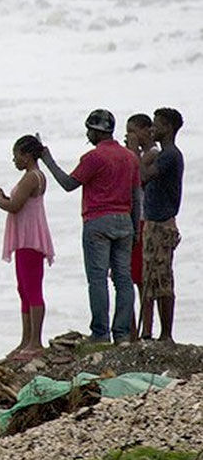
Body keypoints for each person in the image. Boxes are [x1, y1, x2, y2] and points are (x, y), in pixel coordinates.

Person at [39, 109, 138, 343]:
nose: (87, 135)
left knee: (98, 279)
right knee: (124, 279)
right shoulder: (130, 157)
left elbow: (68, 184)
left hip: (98, 221)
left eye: (89, 130)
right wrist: (136, 229)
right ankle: (122, 334)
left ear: (97, 131)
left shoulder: (94, 157)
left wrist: (47, 160)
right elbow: (137, 195)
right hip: (125, 221)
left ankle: (101, 333)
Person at [0, 136, 55, 361]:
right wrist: (3, 197)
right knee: (23, 289)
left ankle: (35, 342)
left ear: (26, 156)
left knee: (32, 289)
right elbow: (18, 203)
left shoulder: (32, 177)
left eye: (16, 156)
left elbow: (14, 207)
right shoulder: (33, 176)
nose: (14, 160)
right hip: (26, 237)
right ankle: (26, 339)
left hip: (29, 238)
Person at [140, 107, 185, 343]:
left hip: (162, 224)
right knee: (152, 279)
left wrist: (136, 153)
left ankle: (166, 334)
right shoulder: (164, 155)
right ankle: (158, 333)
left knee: (162, 279)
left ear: (168, 127)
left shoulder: (170, 155)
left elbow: (144, 176)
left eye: (156, 124)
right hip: (154, 222)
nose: (152, 128)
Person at [124, 113, 156, 336]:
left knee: (143, 278)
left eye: (133, 131)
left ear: (146, 130)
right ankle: (132, 329)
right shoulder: (135, 154)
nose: (129, 136)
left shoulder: (153, 153)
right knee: (128, 275)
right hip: (132, 218)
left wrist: (133, 149)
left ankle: (146, 329)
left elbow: (137, 174)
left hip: (145, 219)